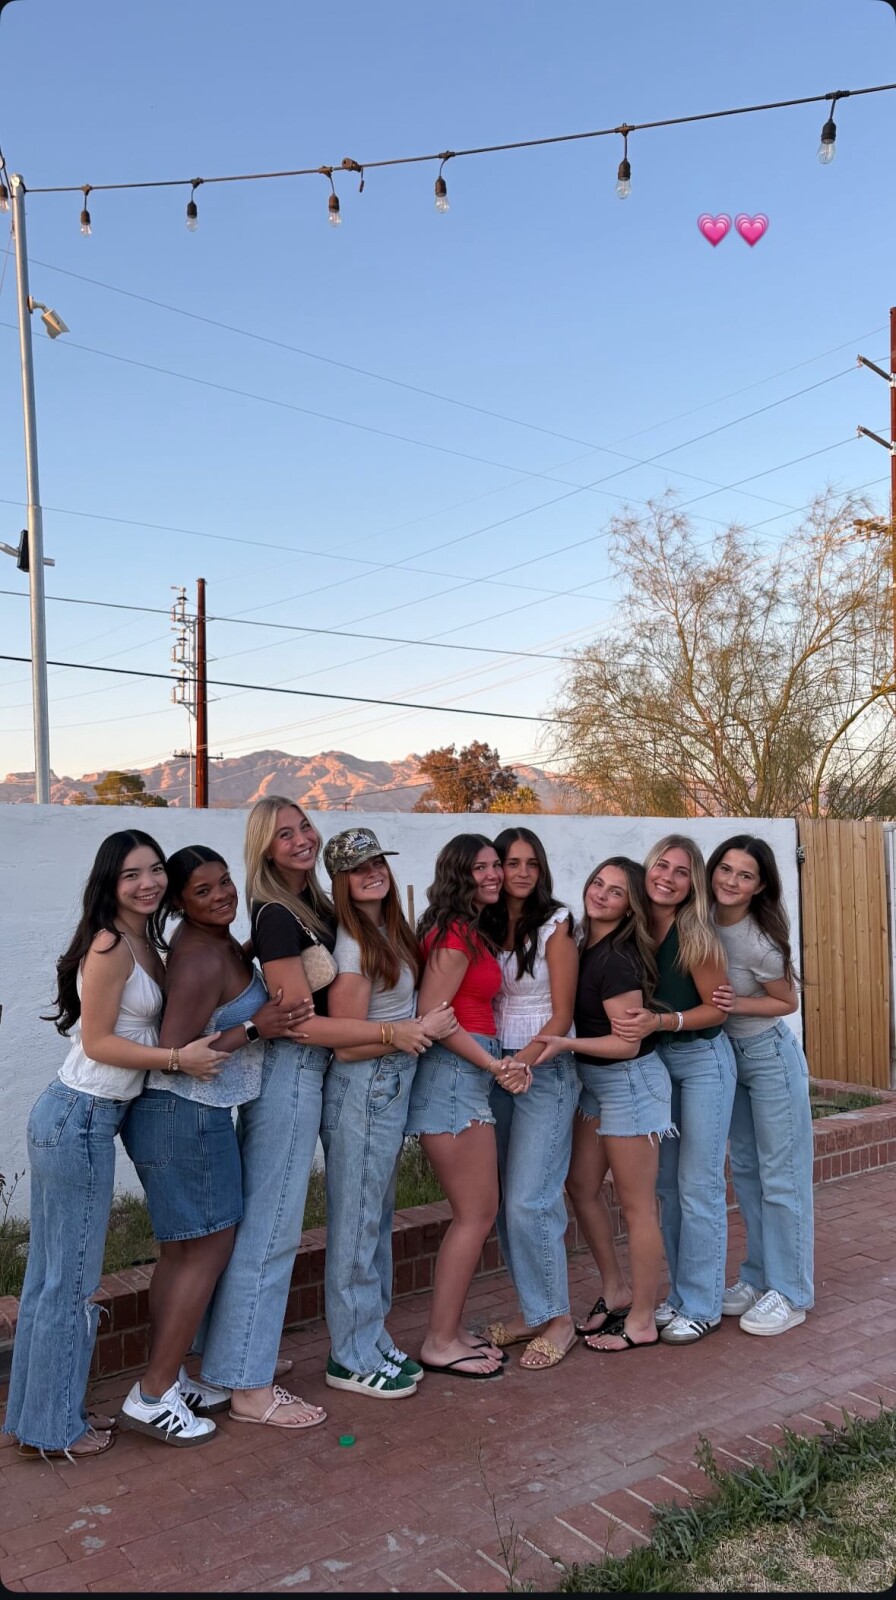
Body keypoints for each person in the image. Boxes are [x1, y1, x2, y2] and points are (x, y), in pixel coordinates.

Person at [195, 798, 433, 1429]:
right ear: (264, 847)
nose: (301, 839)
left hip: (311, 1075)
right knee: (273, 1228)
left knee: (275, 1223)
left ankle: (233, 1362)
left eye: (304, 826)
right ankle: (248, 1388)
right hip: (290, 1076)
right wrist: (392, 1033)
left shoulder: (307, 906)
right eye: (284, 834)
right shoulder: (277, 913)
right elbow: (299, 1025)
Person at [3, 831, 225, 1460]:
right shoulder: (109, 945)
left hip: (85, 1120)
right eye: (132, 874)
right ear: (110, 882)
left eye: (155, 870)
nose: (148, 883)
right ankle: (57, 1429)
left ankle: (37, 1418)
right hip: (78, 1118)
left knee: (54, 1279)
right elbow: (98, 1042)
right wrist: (178, 1059)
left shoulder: (143, 941)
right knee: (68, 1281)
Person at [120, 846, 313, 1443]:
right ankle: (152, 1394)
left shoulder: (218, 942)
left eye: (225, 882)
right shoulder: (201, 956)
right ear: (180, 902)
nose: (222, 895)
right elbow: (174, 1052)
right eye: (203, 891)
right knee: (202, 1256)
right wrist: (255, 1027)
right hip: (185, 1117)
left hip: (182, 1118)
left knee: (182, 1255)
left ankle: (171, 1377)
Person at [321, 827, 458, 1399]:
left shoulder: (387, 930)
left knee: (373, 1221)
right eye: (358, 868)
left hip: (386, 1087)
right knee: (356, 1225)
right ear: (341, 881)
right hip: (363, 1087)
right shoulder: (352, 947)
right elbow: (345, 1043)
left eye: (377, 861)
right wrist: (415, 1030)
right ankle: (349, 1356)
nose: (372, 872)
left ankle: (370, 1337)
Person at [405, 833, 531, 1380]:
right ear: (459, 873)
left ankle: (450, 1333)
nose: (494, 875)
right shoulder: (454, 933)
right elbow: (433, 1016)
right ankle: (438, 1341)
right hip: (454, 1076)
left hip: (466, 1073)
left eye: (495, 865)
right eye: (480, 868)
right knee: (476, 1213)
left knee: (477, 1212)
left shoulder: (466, 928)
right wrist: (491, 1065)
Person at [538, 858, 674, 1354]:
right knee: (580, 1185)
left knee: (637, 1207)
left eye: (616, 891)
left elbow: (627, 1043)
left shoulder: (618, 960)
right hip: (596, 1084)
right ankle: (615, 1289)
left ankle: (642, 1318)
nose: (600, 894)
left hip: (630, 1083)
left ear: (630, 905)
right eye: (597, 882)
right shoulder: (580, 942)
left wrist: (566, 1044)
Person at [611, 834, 734, 1345]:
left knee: (699, 1185)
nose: (668, 878)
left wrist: (663, 1021)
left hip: (702, 1061)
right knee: (666, 1186)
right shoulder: (633, 927)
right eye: (662, 866)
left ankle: (703, 1304)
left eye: (682, 871)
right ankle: (681, 1296)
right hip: (657, 1065)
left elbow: (716, 1011)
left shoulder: (695, 935)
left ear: (693, 883)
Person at [707, 835, 814, 1336]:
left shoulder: (758, 941)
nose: (731, 881)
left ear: (760, 885)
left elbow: (786, 1002)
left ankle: (792, 1294)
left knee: (782, 1177)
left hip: (769, 1058)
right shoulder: (702, 921)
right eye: (725, 869)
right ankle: (758, 1276)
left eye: (745, 875)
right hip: (728, 1060)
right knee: (748, 1173)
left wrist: (735, 1004)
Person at [481, 827, 580, 1370]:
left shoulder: (556, 924)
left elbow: (563, 1013)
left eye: (530, 863)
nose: (519, 873)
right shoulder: (484, 921)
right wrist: (500, 1065)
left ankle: (559, 1319)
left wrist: (524, 1062)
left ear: (541, 869)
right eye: (510, 862)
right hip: (494, 1067)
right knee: (503, 1198)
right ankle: (534, 1310)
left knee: (531, 1198)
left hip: (545, 1067)